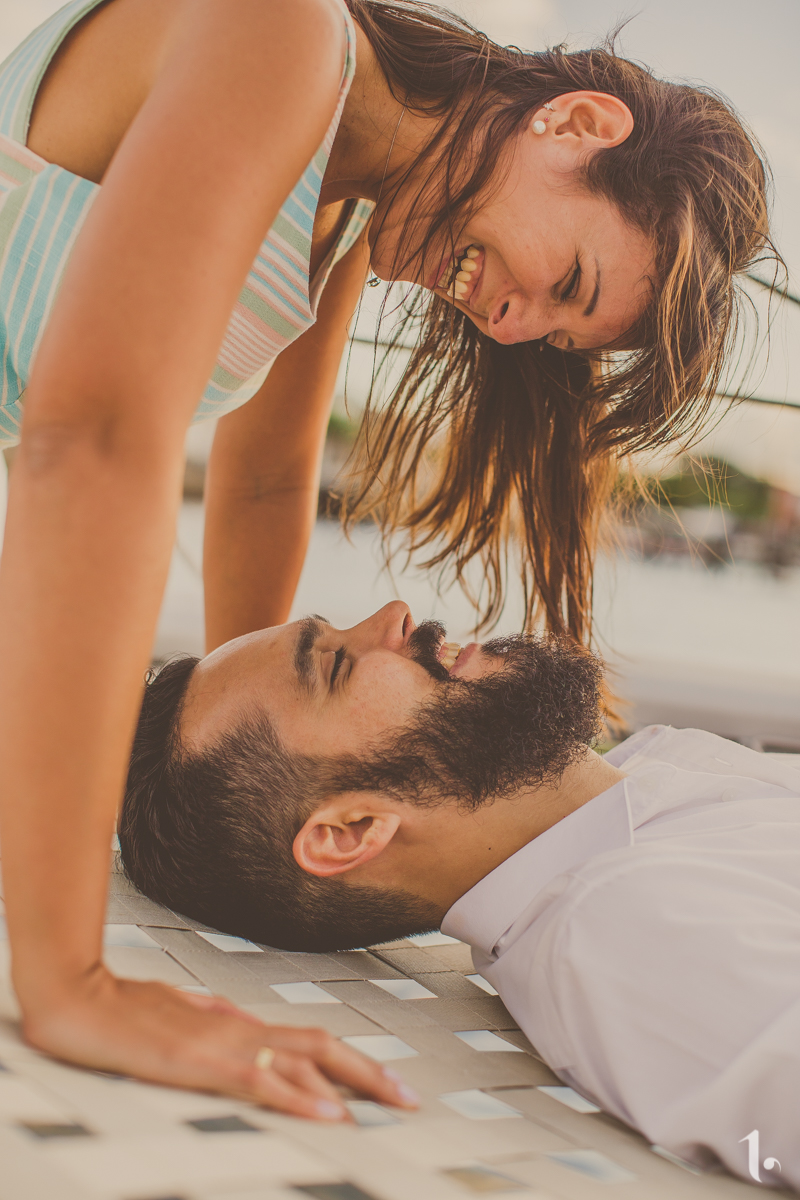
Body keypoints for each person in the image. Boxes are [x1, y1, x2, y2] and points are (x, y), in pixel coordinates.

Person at [0, 0, 779, 1109]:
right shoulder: (278, 38)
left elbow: (267, 479)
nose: (507, 327)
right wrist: (68, 980)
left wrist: (249, 790)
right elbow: (94, 444)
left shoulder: (342, 196)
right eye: (561, 283)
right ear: (574, 121)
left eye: (550, 332)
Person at [121, 602, 800, 1188]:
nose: (394, 616)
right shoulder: (624, 935)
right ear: (351, 830)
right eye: (335, 666)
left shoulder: (648, 786)